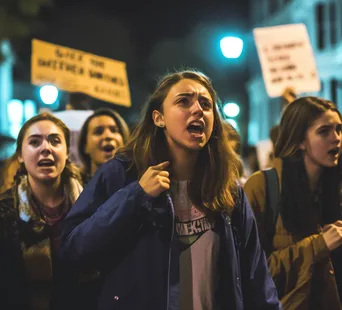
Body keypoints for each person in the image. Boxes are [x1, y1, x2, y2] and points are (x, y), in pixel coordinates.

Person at [59, 69, 280, 310]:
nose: (197, 109)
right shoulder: (121, 174)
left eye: (205, 104)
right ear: (158, 118)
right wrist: (136, 196)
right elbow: (73, 249)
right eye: (183, 101)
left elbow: (256, 276)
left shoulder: (227, 188)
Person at [243, 96, 342, 310]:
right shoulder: (262, 187)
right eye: (324, 131)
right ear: (299, 140)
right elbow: (249, 270)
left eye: (339, 129)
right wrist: (319, 245)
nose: (336, 138)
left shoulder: (336, 188)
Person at [0, 112, 93, 310]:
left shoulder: (92, 202)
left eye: (55, 141)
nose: (46, 148)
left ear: (67, 152)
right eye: (35, 142)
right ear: (20, 156)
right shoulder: (5, 212)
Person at [77, 107, 130, 182]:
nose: (108, 136)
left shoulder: (141, 184)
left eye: (114, 130)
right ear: (84, 146)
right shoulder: (73, 189)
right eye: (98, 132)